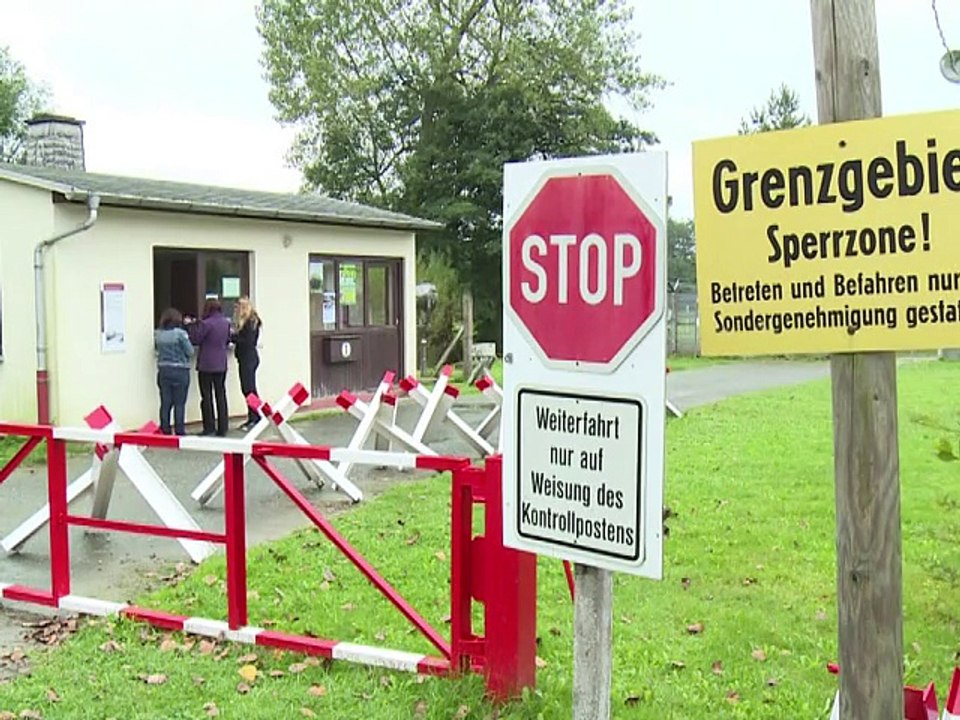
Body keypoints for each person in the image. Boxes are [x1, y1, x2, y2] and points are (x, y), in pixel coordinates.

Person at [186, 298, 232, 436]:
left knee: (206, 396)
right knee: (221, 395)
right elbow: (228, 339)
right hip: (221, 363)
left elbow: (195, 339)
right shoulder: (226, 323)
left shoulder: (206, 324)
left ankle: (209, 427)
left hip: (206, 364)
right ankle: (223, 427)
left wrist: (191, 325)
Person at [154, 308, 194, 436]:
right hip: (180, 370)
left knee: (165, 402)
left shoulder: (158, 334)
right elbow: (190, 351)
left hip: (164, 370)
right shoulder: (180, 334)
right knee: (179, 403)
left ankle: (165, 429)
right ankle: (179, 431)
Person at [232, 296, 262, 431]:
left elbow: (247, 341)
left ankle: (256, 417)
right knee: (248, 389)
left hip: (248, 358)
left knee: (249, 389)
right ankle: (255, 416)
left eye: (237, 307)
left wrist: (232, 337)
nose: (235, 310)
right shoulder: (250, 322)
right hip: (247, 358)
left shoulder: (250, 323)